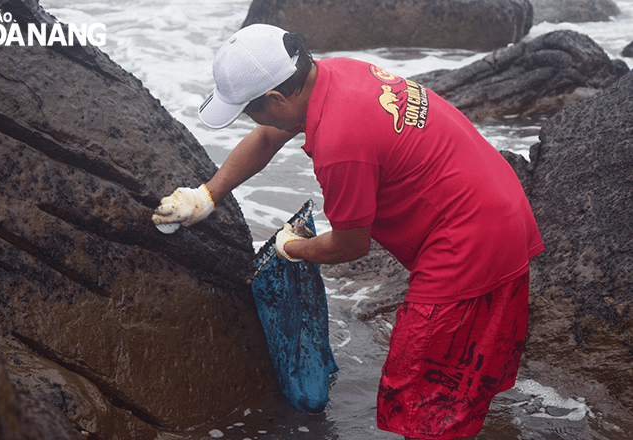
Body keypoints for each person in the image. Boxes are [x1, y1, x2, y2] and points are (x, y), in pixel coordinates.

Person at [152, 24, 544, 440]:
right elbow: (268, 136)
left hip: (470, 243)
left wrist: (293, 248)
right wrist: (207, 196)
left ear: (276, 98)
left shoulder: (341, 143)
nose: (250, 120)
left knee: (421, 400)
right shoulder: (335, 75)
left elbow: (351, 245)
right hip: (501, 208)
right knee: (458, 384)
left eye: (248, 110)